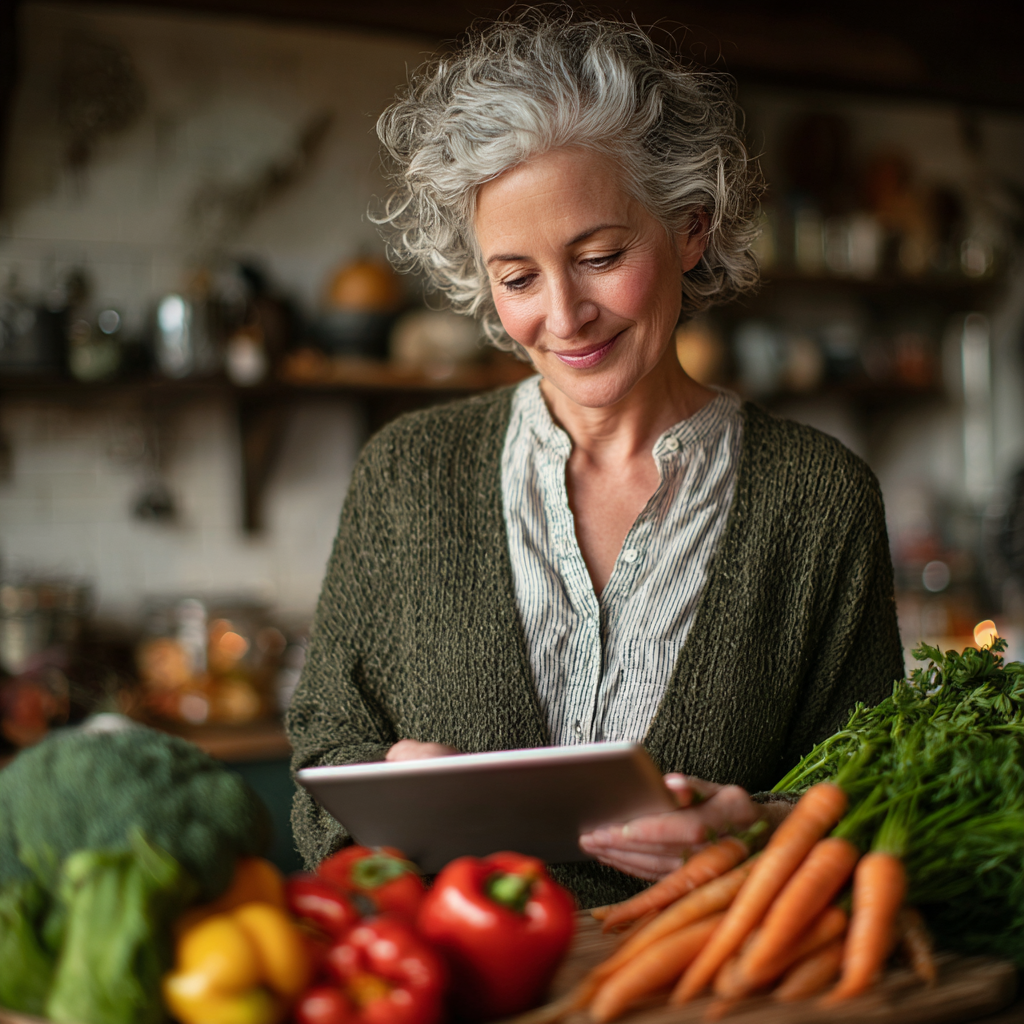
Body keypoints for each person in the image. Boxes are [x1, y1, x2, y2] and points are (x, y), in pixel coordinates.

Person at [286, 11, 904, 907]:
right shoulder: (405, 474)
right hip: (456, 984)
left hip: (705, 988)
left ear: (690, 229)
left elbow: (876, 791)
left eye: (601, 256)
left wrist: (756, 828)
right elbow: (323, 746)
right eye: (518, 277)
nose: (565, 315)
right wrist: (386, 786)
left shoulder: (818, 500)